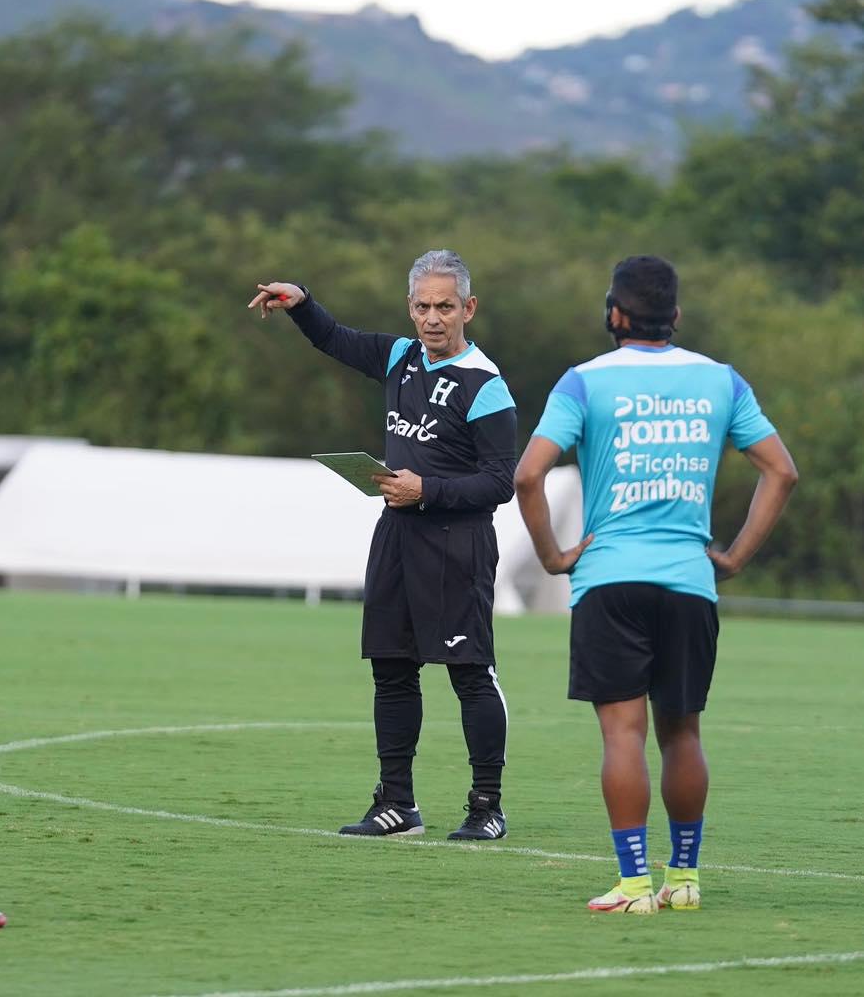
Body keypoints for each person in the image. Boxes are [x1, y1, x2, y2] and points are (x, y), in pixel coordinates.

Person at [514, 255, 797, 913]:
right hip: (689, 582)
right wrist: (734, 557)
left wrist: (554, 557)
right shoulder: (721, 380)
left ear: (614, 313)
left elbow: (528, 475)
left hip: (609, 578)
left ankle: (636, 885)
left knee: (623, 735)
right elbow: (781, 471)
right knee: (683, 734)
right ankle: (686, 879)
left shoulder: (583, 382)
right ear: (675, 315)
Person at [248, 250, 516, 840]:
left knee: (470, 674)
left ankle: (487, 807)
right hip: (397, 536)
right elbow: (335, 339)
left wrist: (428, 489)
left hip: (459, 544)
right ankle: (397, 804)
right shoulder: (400, 357)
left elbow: (501, 483)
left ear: (468, 309)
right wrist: (301, 303)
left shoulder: (486, 385)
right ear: (410, 308)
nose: (432, 318)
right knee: (392, 670)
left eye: (445, 306)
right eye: (422, 306)